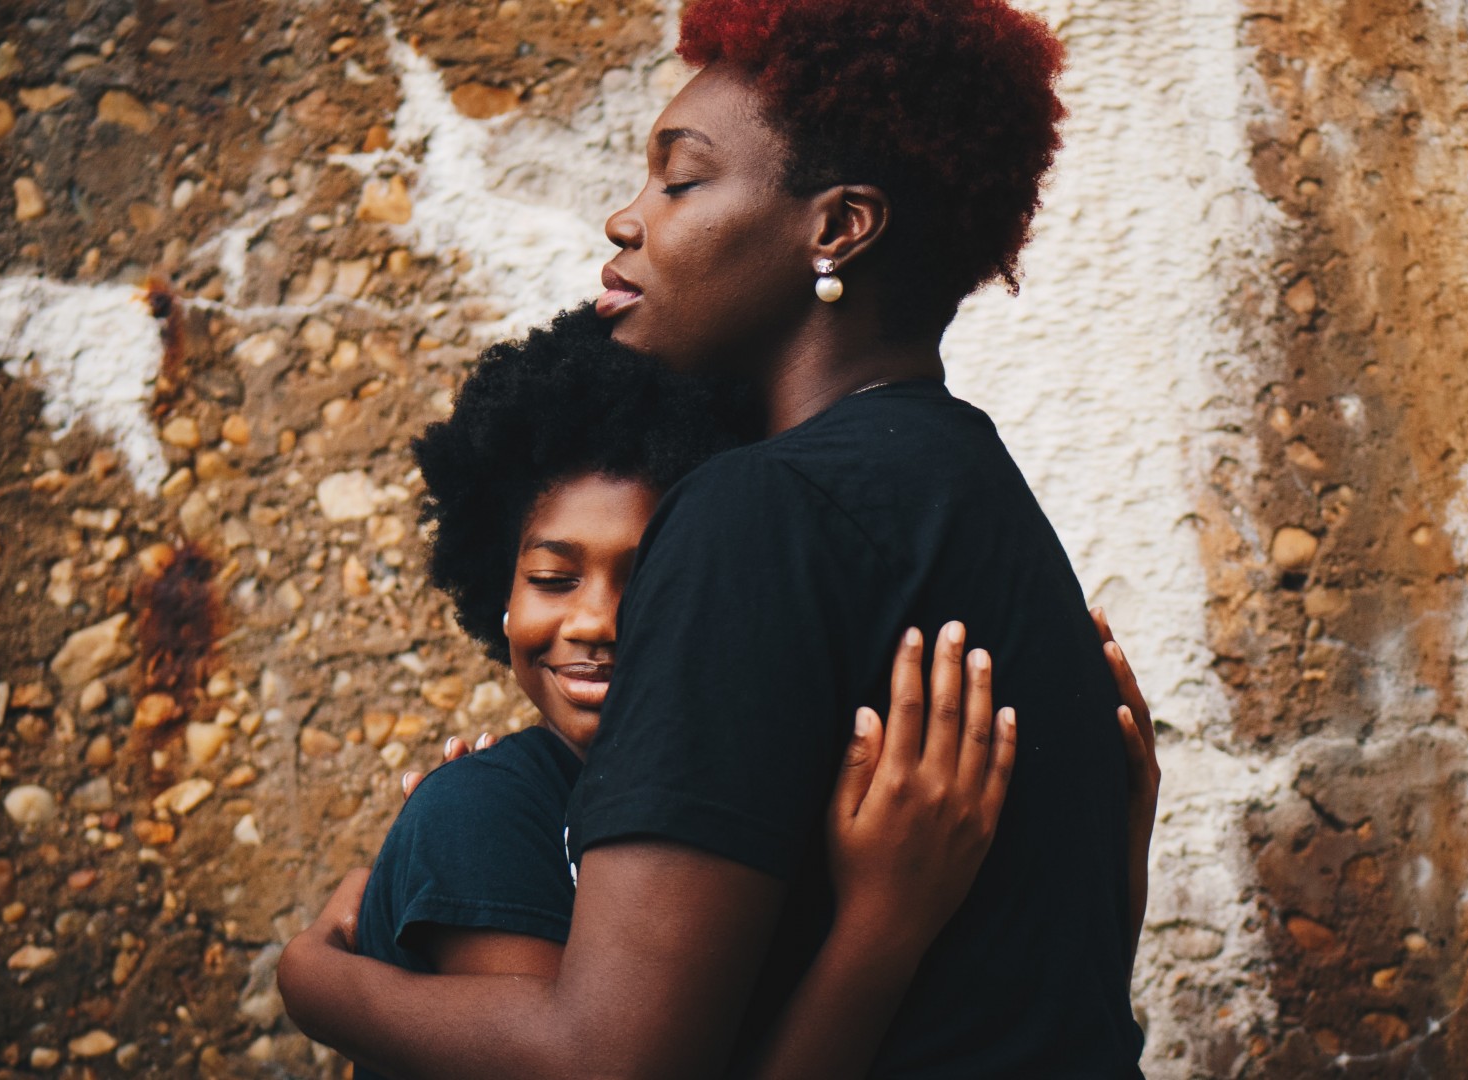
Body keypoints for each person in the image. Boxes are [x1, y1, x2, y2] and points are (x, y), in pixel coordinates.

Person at [278, 1, 1158, 1075]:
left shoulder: (758, 511)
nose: (626, 218)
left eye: (679, 181)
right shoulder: (979, 498)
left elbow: (617, 1060)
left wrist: (321, 981)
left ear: (838, 228)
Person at [353, 305, 1029, 1080]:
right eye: (551, 579)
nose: (596, 621)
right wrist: (882, 928)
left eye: (651, 580)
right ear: (497, 594)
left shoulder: (747, 803)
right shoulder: (484, 813)